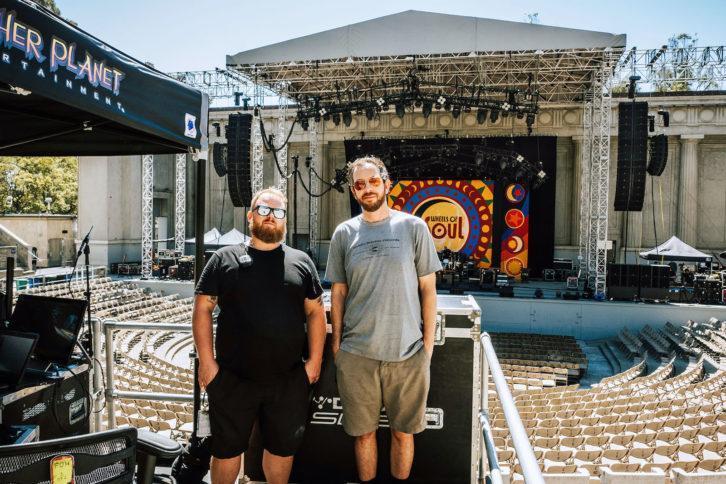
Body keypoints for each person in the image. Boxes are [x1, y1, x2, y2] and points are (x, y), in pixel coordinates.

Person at [192, 187, 326, 484]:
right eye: (264, 209)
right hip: (231, 377)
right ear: (250, 215)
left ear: (284, 221)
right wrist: (207, 363)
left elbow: (316, 312)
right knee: (226, 451)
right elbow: (202, 308)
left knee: (281, 450)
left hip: (288, 380)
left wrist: (314, 362)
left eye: (278, 212)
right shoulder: (224, 258)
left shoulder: (301, 261)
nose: (271, 216)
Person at [325, 156, 441, 483]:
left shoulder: (414, 227)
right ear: (353, 191)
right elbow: (338, 293)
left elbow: (428, 290)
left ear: (387, 183)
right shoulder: (344, 234)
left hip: (407, 355)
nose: (367, 189)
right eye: (359, 184)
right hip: (356, 357)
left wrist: (427, 349)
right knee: (363, 436)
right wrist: (338, 348)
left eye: (373, 181)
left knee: (404, 434)